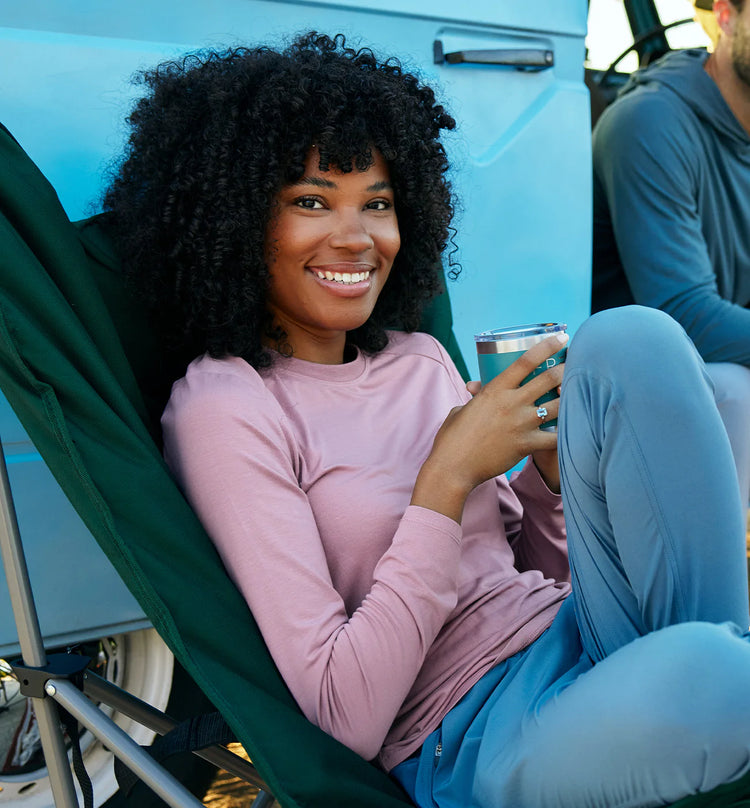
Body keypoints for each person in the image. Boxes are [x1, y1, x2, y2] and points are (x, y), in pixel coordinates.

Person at [102, 32, 750, 808]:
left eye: (376, 203)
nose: (357, 237)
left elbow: (532, 576)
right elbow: (344, 718)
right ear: (235, 219)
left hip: (577, 636)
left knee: (630, 339)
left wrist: (549, 483)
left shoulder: (418, 359)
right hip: (469, 731)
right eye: (311, 201)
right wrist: (446, 478)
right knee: (713, 675)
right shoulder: (226, 407)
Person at [591, 0, 750, 503]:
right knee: (733, 390)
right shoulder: (650, 122)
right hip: (635, 389)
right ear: (725, 14)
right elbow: (684, 317)